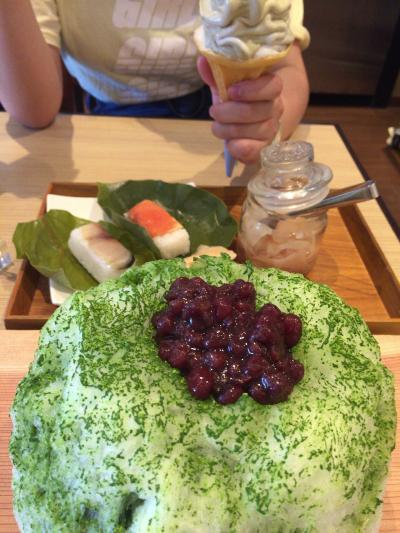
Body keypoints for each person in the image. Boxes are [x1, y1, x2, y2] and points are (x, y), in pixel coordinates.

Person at [0, 1, 310, 165]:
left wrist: (267, 123)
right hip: (105, 120)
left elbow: (287, 68)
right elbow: (34, 110)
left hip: (215, 118)